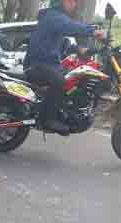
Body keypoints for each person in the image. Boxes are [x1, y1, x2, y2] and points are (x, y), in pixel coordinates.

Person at [24, 0, 105, 134]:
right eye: (72, 1)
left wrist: (80, 50)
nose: (75, 4)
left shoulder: (56, 20)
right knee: (61, 81)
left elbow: (64, 45)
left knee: (73, 77)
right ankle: (48, 119)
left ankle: (65, 112)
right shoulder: (53, 16)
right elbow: (70, 26)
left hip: (48, 64)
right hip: (37, 64)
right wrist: (94, 31)